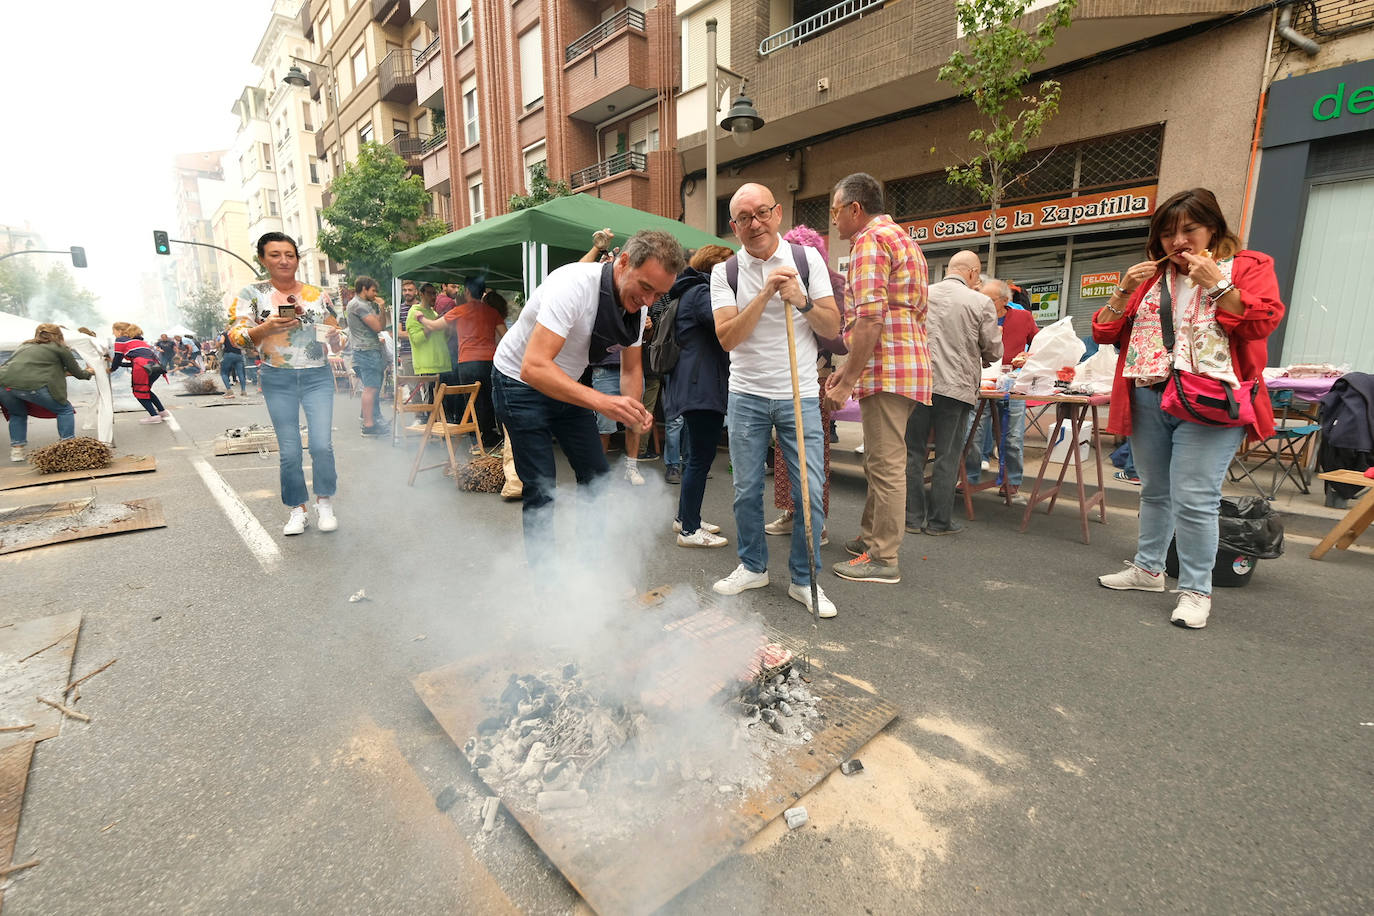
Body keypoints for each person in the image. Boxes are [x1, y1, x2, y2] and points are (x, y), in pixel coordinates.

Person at [1093, 188, 1284, 629]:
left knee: (1196, 499)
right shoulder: (1150, 278)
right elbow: (1104, 333)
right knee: (1154, 491)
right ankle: (1148, 569)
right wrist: (1123, 289)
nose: (1177, 241)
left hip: (1210, 399)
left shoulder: (1248, 266)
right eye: (1166, 234)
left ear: (1212, 229)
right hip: (1149, 394)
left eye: (1188, 230)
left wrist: (1217, 284)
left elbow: (1262, 322)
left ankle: (1196, 590)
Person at [490, 230, 684, 572]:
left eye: (658, 294)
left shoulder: (638, 309)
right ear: (623, 262)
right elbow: (534, 367)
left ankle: (590, 576)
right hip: (518, 381)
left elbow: (631, 369)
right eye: (645, 287)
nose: (648, 300)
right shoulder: (574, 285)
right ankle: (545, 583)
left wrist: (632, 411)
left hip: (566, 381)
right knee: (541, 487)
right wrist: (603, 402)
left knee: (596, 477)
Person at [710, 183, 842, 619]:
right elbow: (727, 338)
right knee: (746, 489)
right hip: (746, 394)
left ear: (778, 213)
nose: (755, 223)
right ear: (734, 227)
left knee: (809, 491)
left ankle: (805, 579)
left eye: (762, 212)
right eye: (744, 218)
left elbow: (831, 326)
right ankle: (752, 566)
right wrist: (764, 294)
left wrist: (801, 300)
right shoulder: (725, 272)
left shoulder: (807, 260)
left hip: (798, 394)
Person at [825, 172, 931, 585]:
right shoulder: (902, 239)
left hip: (887, 367)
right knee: (880, 460)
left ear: (856, 208)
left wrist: (847, 381)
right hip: (904, 365)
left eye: (836, 210)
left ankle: (884, 558)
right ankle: (871, 540)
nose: (834, 219)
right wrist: (849, 371)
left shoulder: (870, 241)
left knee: (885, 465)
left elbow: (869, 318)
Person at [228, 231, 340, 536]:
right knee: (290, 450)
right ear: (263, 259)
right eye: (275, 255)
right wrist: (265, 328)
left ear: (297, 259)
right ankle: (297, 509)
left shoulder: (317, 295)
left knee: (321, 445)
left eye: (289, 255)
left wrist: (335, 338)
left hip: (317, 375)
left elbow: (338, 337)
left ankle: (324, 503)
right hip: (277, 377)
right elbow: (236, 337)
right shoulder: (252, 294)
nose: (283, 260)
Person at [905, 251, 1001, 536]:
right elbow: (994, 350)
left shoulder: (921, 295)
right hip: (956, 389)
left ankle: (911, 518)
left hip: (918, 384)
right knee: (947, 456)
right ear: (972, 273)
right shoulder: (980, 302)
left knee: (913, 453)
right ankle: (939, 522)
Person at [765, 224, 846, 546]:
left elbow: (840, 340)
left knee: (812, 453)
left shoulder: (832, 284)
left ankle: (816, 522)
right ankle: (792, 512)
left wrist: (807, 306)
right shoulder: (777, 280)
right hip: (782, 377)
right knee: (785, 451)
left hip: (815, 378)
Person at [663, 244, 734, 548]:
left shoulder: (690, 290)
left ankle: (685, 517)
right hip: (702, 385)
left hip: (695, 383)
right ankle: (690, 530)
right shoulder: (703, 293)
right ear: (716, 268)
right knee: (700, 459)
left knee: (695, 457)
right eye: (731, 267)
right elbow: (726, 329)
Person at [965, 276, 1040, 500]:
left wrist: (1029, 355)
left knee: (1012, 437)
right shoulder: (977, 316)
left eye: (989, 300)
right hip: (982, 381)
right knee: (973, 433)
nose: (984, 303)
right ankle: (969, 477)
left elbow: (1038, 343)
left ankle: (1011, 480)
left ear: (1005, 300)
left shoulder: (1023, 317)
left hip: (1012, 383)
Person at [0, 323, 95, 461]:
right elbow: (79, 373)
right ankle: (68, 447)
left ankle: (17, 452)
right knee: (65, 410)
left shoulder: (25, 345)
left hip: (4, 385)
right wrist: (89, 372)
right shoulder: (60, 348)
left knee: (17, 414)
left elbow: (32, 367)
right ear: (59, 335)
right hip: (33, 385)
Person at [444, 277, 506, 450]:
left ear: (467, 291)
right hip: (489, 361)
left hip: (467, 362)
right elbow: (506, 336)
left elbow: (435, 326)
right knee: (490, 399)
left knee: (472, 400)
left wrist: (421, 318)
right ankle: (490, 435)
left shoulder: (460, 310)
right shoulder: (492, 312)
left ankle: (477, 438)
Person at [346, 276, 388, 436]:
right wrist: (382, 306)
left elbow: (381, 325)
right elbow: (378, 327)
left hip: (368, 349)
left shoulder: (364, 304)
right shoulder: (359, 305)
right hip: (366, 350)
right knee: (370, 388)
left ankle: (371, 421)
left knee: (372, 387)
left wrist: (381, 309)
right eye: (373, 290)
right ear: (364, 288)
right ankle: (368, 425)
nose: (375, 294)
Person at [110, 324, 169, 423]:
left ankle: (154, 416)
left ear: (120, 331)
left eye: (114, 331)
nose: (113, 333)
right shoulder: (140, 342)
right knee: (146, 390)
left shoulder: (120, 340)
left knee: (139, 392)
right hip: (155, 367)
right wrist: (117, 364)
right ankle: (163, 412)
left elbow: (118, 357)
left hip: (142, 368)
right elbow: (137, 361)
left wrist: (112, 369)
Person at [406, 284, 454, 401]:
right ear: (421, 294)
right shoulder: (414, 313)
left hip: (443, 365)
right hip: (428, 367)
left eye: (434, 293)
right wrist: (431, 325)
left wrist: (448, 330)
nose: (433, 297)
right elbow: (416, 339)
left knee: (444, 404)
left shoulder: (434, 313)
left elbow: (443, 339)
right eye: (430, 293)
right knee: (432, 403)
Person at [396, 279, 418, 376]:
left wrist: (408, 334)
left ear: (416, 291)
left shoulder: (422, 307)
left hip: (422, 352)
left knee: (426, 383)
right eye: (404, 290)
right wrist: (419, 335)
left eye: (410, 290)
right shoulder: (399, 309)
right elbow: (399, 334)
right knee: (411, 384)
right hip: (407, 353)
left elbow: (428, 331)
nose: (407, 292)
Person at [218, 324, 247, 397]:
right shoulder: (238, 334)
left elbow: (221, 342)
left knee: (224, 373)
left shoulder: (225, 333)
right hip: (239, 355)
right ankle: (243, 391)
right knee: (240, 373)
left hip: (229, 354)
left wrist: (219, 347)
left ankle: (229, 390)